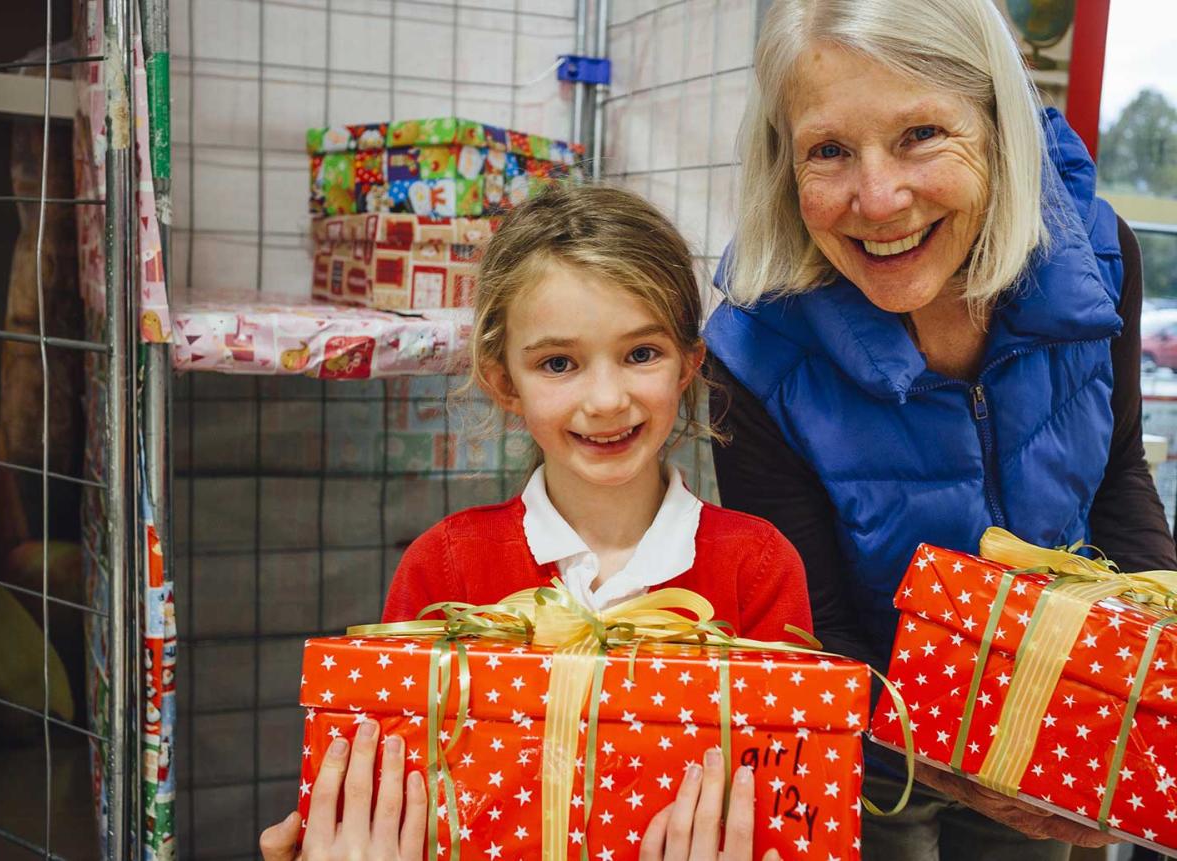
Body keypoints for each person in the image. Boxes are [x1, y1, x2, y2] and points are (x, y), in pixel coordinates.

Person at [701, 1, 1177, 860]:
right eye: (830, 150)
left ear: (998, 125)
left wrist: (1154, 678)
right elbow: (818, 627)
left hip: (1052, 698)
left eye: (921, 133)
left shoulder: (1098, 258)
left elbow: (1113, 483)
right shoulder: (753, 345)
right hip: (867, 737)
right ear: (783, 162)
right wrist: (969, 758)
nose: (878, 199)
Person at [260, 182, 805, 860]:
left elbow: (789, 803)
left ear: (690, 364)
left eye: (642, 353)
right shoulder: (445, 568)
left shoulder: (757, 568)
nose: (606, 399)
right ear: (504, 382)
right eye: (558, 363)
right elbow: (398, 793)